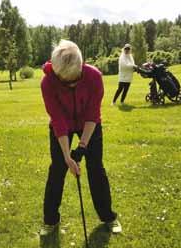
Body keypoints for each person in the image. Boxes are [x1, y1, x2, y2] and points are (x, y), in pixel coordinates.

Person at [40, 39, 121, 236]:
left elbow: (93, 115)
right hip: (63, 125)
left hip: (88, 124)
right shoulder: (48, 82)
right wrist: (68, 157)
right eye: (66, 82)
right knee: (57, 168)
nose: (71, 85)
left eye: (75, 80)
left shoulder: (94, 77)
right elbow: (58, 120)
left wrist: (83, 146)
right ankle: (50, 220)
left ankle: (108, 216)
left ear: (82, 67)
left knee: (96, 168)